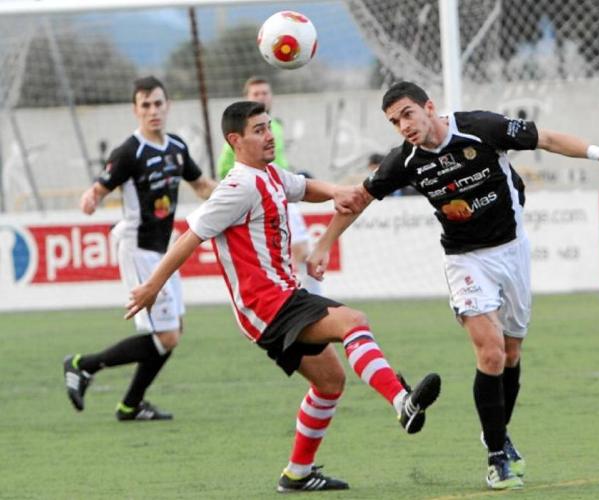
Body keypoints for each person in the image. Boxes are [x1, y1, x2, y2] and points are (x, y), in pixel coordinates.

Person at [307, 81, 599, 490]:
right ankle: (496, 456)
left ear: (429, 107)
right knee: (491, 352)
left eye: (407, 114)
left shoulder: (480, 127)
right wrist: (324, 245)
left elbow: (546, 138)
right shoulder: (404, 161)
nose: (404, 126)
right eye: (394, 122)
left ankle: (497, 433)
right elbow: (360, 198)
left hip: (512, 250)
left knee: (511, 353)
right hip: (464, 259)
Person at [125, 100, 441, 492]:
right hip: (266, 304)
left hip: (280, 298)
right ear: (235, 141)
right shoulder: (238, 187)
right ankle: (401, 402)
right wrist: (152, 286)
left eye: (269, 127)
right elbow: (190, 237)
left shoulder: (269, 175)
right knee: (353, 322)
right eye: (258, 130)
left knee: (330, 382)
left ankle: (297, 474)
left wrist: (337, 191)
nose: (269, 136)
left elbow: (304, 188)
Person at [63, 76, 217, 421]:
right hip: (138, 249)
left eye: (158, 103)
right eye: (145, 105)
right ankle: (83, 365)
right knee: (167, 335)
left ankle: (130, 405)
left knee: (173, 330)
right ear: (135, 110)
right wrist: (90, 199)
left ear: (167, 105)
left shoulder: (176, 147)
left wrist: (236, 193)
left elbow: (201, 186)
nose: (153, 110)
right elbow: (99, 189)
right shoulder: (128, 152)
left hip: (164, 249)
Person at [217, 76, 319, 294]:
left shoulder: (276, 127)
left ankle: (305, 296)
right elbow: (224, 169)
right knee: (295, 252)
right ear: (247, 98)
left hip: (284, 192)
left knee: (302, 252)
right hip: (263, 197)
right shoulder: (239, 138)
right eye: (256, 94)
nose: (261, 97)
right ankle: (290, 293)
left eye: (265, 93)